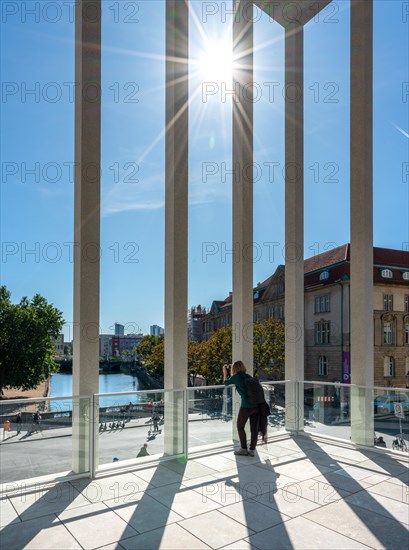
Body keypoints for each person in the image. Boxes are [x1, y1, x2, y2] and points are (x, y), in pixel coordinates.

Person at [223, 361, 259, 456]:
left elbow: (226, 383)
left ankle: (243, 448)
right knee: (254, 429)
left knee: (240, 426)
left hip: (246, 406)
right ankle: (252, 450)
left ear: (234, 369)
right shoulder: (248, 376)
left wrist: (225, 372)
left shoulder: (235, 377)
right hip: (256, 405)